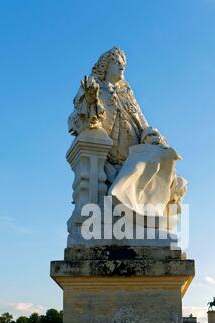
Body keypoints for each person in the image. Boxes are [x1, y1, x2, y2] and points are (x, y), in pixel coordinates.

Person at [68, 47, 186, 218]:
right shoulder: (94, 89)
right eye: (117, 62)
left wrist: (152, 136)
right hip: (110, 159)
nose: (122, 66)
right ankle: (122, 200)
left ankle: (150, 214)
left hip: (135, 154)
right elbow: (81, 121)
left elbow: (142, 122)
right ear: (105, 67)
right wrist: (91, 101)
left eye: (124, 63)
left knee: (165, 156)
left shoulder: (127, 93)